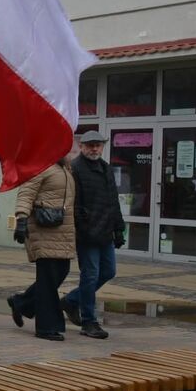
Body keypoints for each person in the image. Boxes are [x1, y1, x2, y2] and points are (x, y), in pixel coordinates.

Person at [61, 131, 124, 339]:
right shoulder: (76, 168)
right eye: (90, 145)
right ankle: (89, 321)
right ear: (82, 147)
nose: (94, 149)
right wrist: (82, 225)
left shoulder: (106, 168)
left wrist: (118, 229)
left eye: (98, 145)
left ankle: (71, 300)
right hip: (87, 233)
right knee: (90, 276)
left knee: (109, 271)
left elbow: (113, 201)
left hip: (105, 232)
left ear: (103, 146)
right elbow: (73, 202)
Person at [7, 158, 77, 341]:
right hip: (44, 230)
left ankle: (21, 303)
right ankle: (46, 327)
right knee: (48, 279)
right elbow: (26, 194)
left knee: (60, 272)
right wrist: (21, 220)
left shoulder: (64, 168)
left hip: (62, 232)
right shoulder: (40, 166)